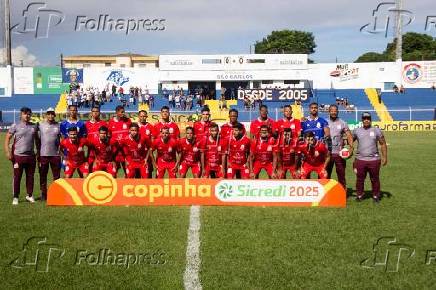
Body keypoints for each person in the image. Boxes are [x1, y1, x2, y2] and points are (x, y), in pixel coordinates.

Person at [4, 107, 40, 205]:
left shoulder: (34, 126)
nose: (27, 116)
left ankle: (29, 195)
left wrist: (38, 152)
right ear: (21, 114)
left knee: (30, 177)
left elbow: (37, 140)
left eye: (29, 114)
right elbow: (7, 138)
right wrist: (8, 152)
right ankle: (15, 197)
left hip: (31, 156)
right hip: (18, 156)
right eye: (25, 114)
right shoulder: (15, 125)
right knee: (17, 177)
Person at [352, 112, 388, 203]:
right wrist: (345, 149)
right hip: (360, 159)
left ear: (371, 120)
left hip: (374, 160)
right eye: (364, 119)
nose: (366, 120)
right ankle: (360, 195)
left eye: (368, 118)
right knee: (360, 179)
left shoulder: (376, 130)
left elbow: (383, 143)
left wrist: (385, 157)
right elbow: (349, 141)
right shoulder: (357, 130)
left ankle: (376, 196)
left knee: (375, 179)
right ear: (362, 120)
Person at [326, 105, 353, 188]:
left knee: (341, 175)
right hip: (327, 154)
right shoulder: (325, 122)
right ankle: (325, 193)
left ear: (338, 111)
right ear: (329, 111)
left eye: (335, 111)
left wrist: (351, 147)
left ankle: (342, 193)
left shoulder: (343, 123)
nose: (333, 112)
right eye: (332, 110)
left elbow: (349, 135)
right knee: (326, 175)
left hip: (339, 154)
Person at [38, 107, 61, 201]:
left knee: (56, 176)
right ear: (46, 115)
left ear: (54, 115)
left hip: (55, 155)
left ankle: (56, 193)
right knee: (43, 175)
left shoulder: (58, 125)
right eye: (49, 114)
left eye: (52, 114)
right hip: (43, 154)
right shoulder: (40, 125)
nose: (50, 115)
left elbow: (62, 139)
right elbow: (36, 139)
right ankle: (44, 194)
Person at [108, 105, 132, 176]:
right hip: (115, 152)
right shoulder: (111, 122)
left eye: (123, 112)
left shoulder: (128, 121)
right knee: (113, 173)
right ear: (116, 112)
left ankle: (127, 186)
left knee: (128, 172)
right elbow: (109, 136)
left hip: (126, 151)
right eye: (121, 112)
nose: (123, 113)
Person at [85, 106, 107, 171]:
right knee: (90, 170)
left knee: (102, 170)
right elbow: (84, 138)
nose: (95, 113)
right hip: (90, 151)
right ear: (91, 113)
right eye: (93, 111)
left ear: (99, 113)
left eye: (97, 111)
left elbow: (108, 136)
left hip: (101, 151)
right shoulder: (86, 124)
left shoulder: (103, 123)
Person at [138, 110, 155, 178]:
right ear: (139, 117)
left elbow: (152, 141)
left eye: (144, 116)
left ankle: (148, 187)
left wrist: (150, 150)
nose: (143, 118)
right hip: (138, 154)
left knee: (149, 173)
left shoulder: (150, 126)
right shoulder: (135, 127)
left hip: (148, 153)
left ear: (147, 117)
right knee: (138, 173)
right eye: (141, 116)